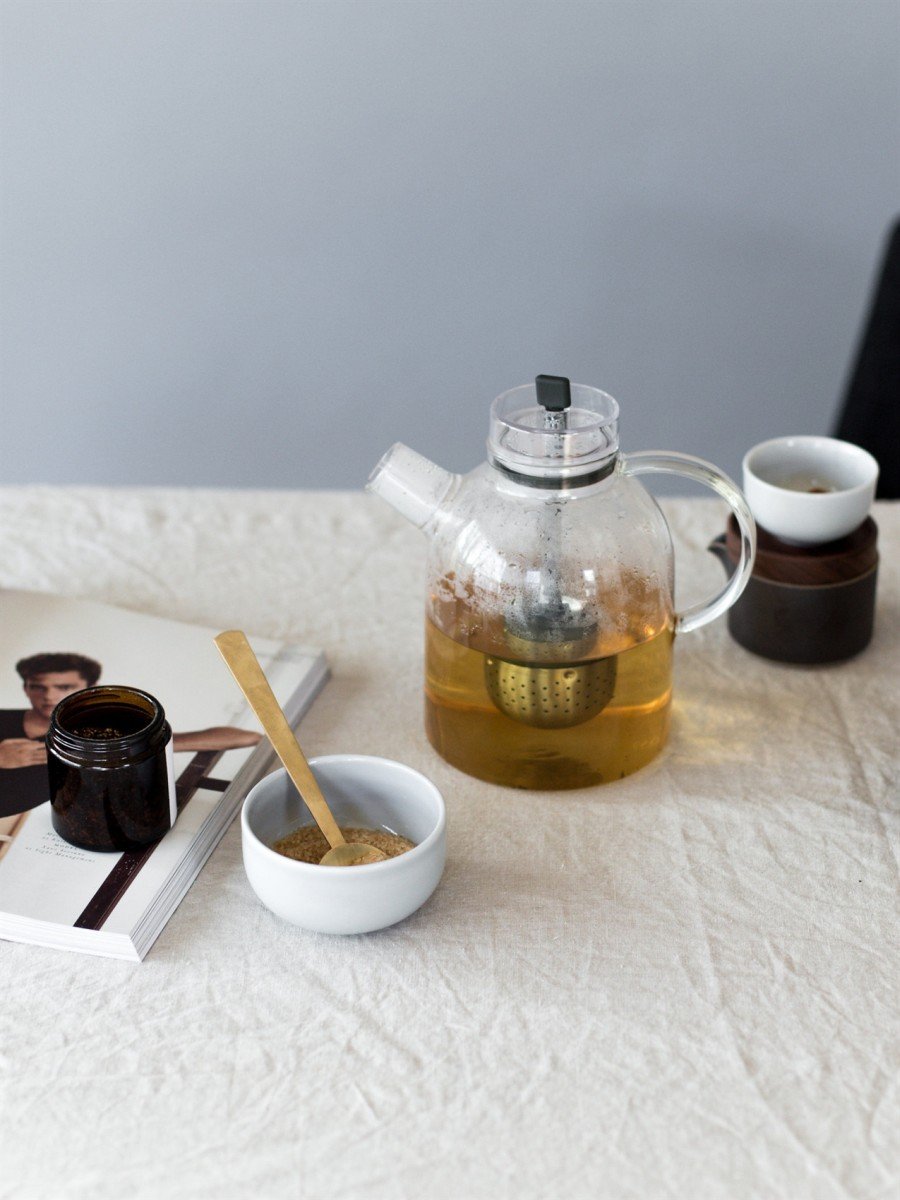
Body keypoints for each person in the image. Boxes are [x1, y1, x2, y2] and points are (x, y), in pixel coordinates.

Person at [0, 651, 262, 834]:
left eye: (64, 687)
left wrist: (147, 746)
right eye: (38, 687)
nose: (49, 696)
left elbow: (248, 737)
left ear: (90, 688)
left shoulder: (107, 730)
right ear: (25, 688)